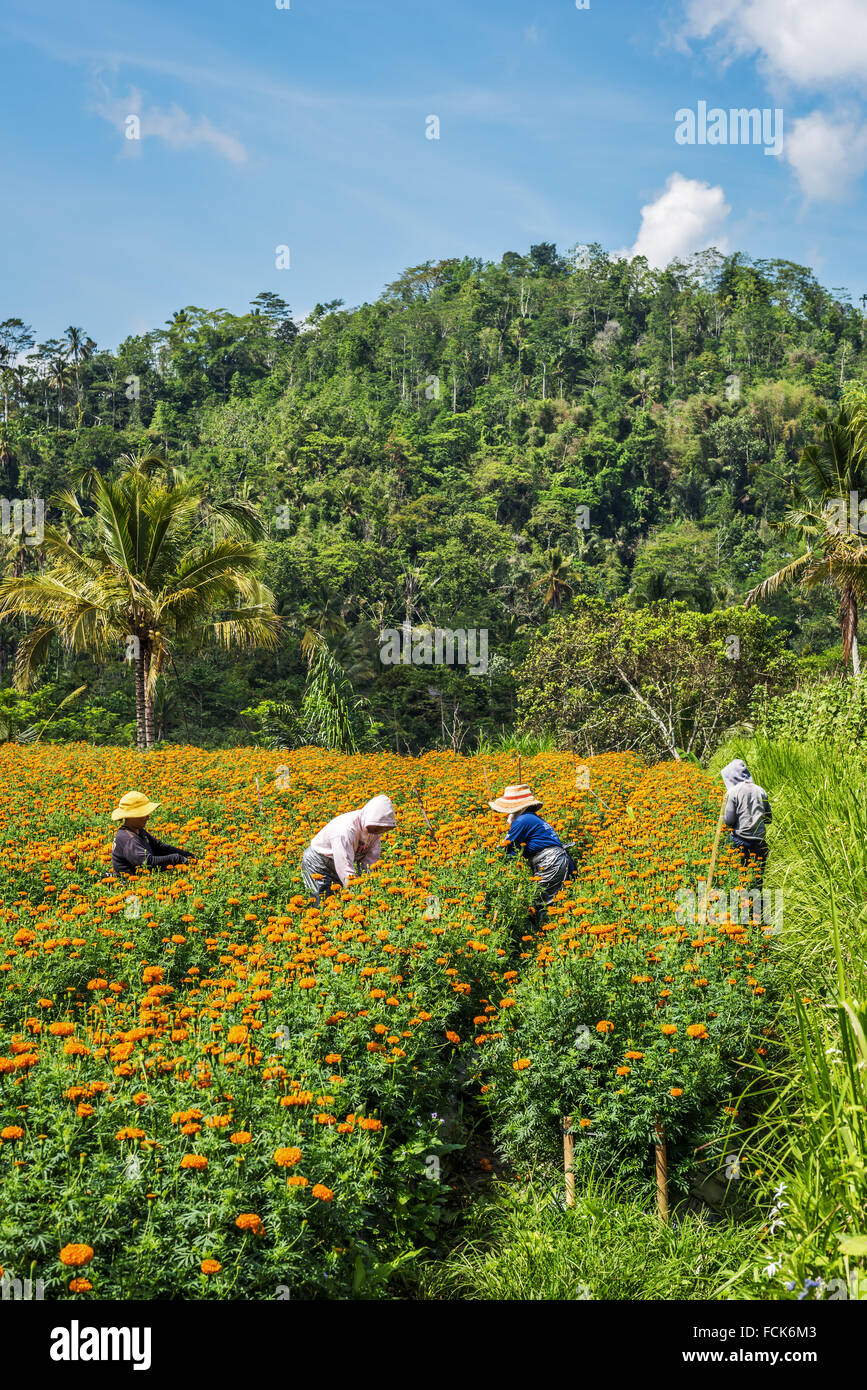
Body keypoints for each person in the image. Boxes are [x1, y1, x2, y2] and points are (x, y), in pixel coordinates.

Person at [490, 783, 576, 923]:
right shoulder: (532, 818)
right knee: (548, 900)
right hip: (556, 859)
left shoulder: (523, 820)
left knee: (540, 902)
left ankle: (544, 934)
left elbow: (507, 848)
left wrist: (490, 857)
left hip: (550, 862)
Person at [301, 794, 396, 906]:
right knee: (323, 903)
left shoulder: (374, 830)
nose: (380, 831)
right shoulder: (345, 831)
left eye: (384, 828)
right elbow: (344, 864)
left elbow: (371, 861)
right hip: (318, 863)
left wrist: (369, 886)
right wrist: (356, 891)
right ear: (370, 818)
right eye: (378, 827)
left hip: (337, 865)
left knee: (341, 903)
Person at [110, 790, 196, 877]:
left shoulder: (138, 831)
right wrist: (177, 859)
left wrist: (189, 856)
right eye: (143, 814)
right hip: (130, 885)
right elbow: (147, 863)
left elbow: (159, 847)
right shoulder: (128, 838)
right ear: (131, 816)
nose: (147, 817)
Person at [721, 758, 772, 884]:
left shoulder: (733, 792)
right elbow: (768, 818)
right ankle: (756, 903)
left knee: (738, 878)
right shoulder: (761, 790)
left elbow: (729, 821)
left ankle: (738, 901)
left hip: (740, 841)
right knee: (757, 881)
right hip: (760, 843)